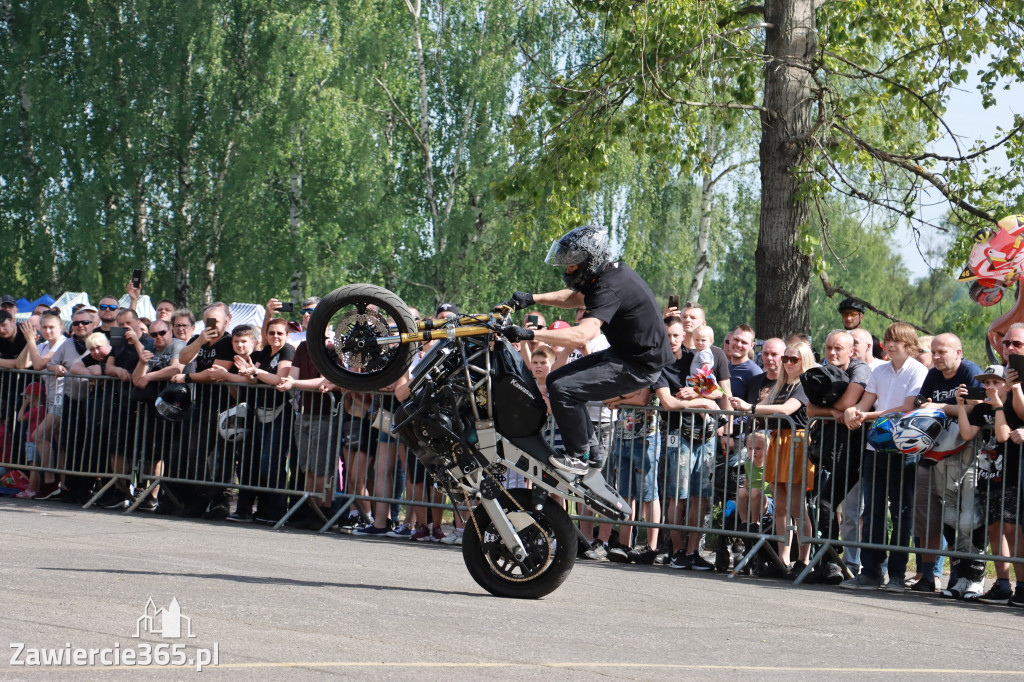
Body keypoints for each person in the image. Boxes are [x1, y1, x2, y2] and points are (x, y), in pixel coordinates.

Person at [502, 225, 674, 475]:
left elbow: (584, 334)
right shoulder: (608, 275)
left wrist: (531, 334)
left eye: (572, 265)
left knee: (564, 389)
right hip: (627, 355)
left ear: (589, 261)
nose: (568, 270)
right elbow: (575, 298)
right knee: (555, 379)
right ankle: (592, 450)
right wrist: (532, 298)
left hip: (639, 366)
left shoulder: (609, 287)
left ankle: (579, 456)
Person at [841, 322, 928, 592]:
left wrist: (866, 416)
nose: (891, 344)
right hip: (876, 447)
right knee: (874, 510)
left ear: (910, 345)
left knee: (901, 512)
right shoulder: (879, 370)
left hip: (905, 449)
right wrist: (852, 412)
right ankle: (870, 571)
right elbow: (865, 403)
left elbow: (907, 407)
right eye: (889, 339)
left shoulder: (919, 370)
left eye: (898, 341)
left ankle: (898, 574)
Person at [731, 341, 816, 579]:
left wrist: (752, 406)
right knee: (780, 507)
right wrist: (743, 405)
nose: (788, 363)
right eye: (785, 359)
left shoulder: (804, 385)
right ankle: (783, 559)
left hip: (797, 443)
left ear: (804, 361)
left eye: (793, 359)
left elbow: (786, 410)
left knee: (799, 508)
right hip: (777, 443)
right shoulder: (780, 385)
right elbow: (761, 409)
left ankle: (803, 559)